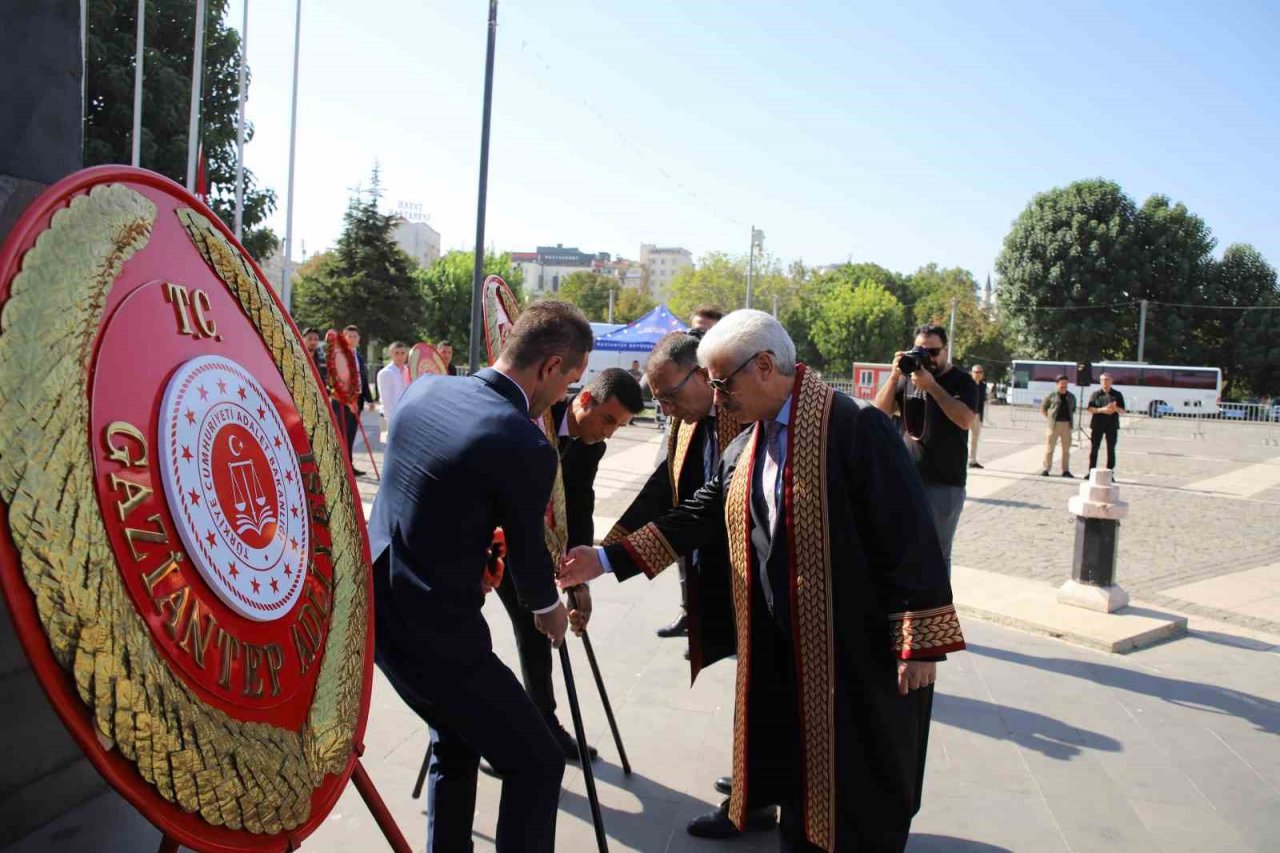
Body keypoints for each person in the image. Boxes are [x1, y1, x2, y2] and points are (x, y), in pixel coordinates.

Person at [560, 310, 963, 853]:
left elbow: (911, 534)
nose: (717, 398)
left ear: (766, 367)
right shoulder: (746, 444)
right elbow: (699, 512)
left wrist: (919, 643)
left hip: (861, 653)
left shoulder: (855, 427)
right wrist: (606, 559)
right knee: (796, 780)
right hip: (788, 652)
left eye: (723, 384)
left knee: (863, 790)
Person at [369, 300, 593, 852]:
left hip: (376, 601)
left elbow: (435, 495)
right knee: (537, 762)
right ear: (550, 366)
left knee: (456, 742)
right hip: (436, 632)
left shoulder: (427, 390)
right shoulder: (524, 442)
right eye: (570, 380)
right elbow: (527, 555)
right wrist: (550, 611)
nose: (564, 395)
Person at [603, 331, 776, 839]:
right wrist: (610, 547)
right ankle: (759, 779)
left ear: (703, 375)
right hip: (719, 571)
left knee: (762, 685)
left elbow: (711, 507)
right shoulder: (687, 421)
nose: (668, 408)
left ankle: (757, 797)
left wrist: (611, 559)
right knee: (754, 682)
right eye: (659, 400)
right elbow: (666, 489)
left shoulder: (749, 417)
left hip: (761, 576)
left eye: (672, 395)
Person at [492, 367, 644, 762]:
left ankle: (540, 723)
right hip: (492, 534)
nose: (609, 433)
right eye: (608, 419)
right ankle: (515, 727)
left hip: (534, 541)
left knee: (539, 630)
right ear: (584, 400)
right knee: (527, 625)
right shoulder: (534, 413)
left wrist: (579, 577)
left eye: (620, 426)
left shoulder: (592, 444)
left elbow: (579, 502)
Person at [873, 324, 978, 573]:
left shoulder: (962, 381)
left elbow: (965, 420)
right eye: (920, 350)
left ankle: (936, 611)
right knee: (901, 548)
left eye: (933, 352)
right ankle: (907, 608)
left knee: (936, 554)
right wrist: (894, 375)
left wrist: (932, 387)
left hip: (944, 483)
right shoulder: (908, 379)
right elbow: (877, 414)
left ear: (945, 351)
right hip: (907, 478)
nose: (927, 358)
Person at [332, 324, 375, 475]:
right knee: (341, 434)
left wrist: (370, 399)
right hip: (343, 402)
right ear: (344, 338)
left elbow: (363, 379)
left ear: (359, 339)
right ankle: (339, 468)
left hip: (358, 402)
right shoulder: (339, 356)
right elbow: (336, 381)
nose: (352, 339)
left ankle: (349, 466)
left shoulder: (359, 357)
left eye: (355, 336)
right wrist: (347, 399)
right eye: (349, 336)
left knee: (350, 435)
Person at [1087, 372, 1126, 473]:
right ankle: (1091, 471)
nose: (1105, 382)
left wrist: (1115, 408)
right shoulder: (1095, 394)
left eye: (1107, 379)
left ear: (1111, 381)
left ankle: (1110, 472)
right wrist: (1102, 410)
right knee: (1094, 448)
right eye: (1102, 380)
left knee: (1111, 449)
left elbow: (1122, 410)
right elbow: (1090, 409)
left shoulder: (1117, 394)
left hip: (1112, 425)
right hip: (1097, 425)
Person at [1040, 375, 1077, 477]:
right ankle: (1046, 469)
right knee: (1049, 448)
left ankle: (1065, 470)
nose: (1064, 386)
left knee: (1066, 449)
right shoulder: (1051, 396)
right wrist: (1049, 418)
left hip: (1066, 425)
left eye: (1066, 384)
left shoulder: (1071, 397)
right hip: (1054, 425)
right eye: (1062, 383)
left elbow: (1073, 409)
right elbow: (1043, 408)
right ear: (1057, 384)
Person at [376, 341, 410, 443]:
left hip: (406, 415)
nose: (400, 356)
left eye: (402, 353)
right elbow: (386, 400)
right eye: (396, 353)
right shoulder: (385, 373)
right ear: (391, 354)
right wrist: (391, 421)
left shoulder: (408, 371)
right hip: (392, 417)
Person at [968, 364, 987, 469]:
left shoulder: (983, 385)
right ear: (972, 373)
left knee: (975, 438)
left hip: (978, 415)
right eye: (976, 372)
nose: (979, 374)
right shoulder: (968, 384)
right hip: (968, 413)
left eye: (980, 372)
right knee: (965, 438)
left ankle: (972, 460)